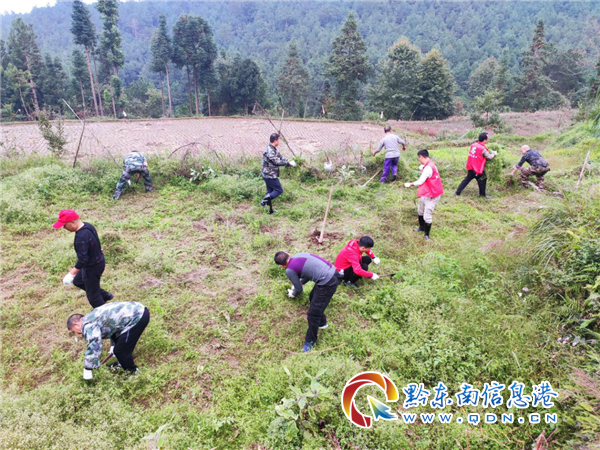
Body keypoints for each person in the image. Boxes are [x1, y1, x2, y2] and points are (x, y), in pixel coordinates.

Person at [274, 251, 342, 352]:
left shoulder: (289, 270)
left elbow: (299, 290)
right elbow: (307, 272)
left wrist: (293, 293)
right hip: (334, 272)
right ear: (288, 254)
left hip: (327, 282)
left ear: (281, 266)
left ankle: (310, 342)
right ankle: (322, 323)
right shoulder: (300, 255)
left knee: (312, 315)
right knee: (313, 298)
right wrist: (301, 282)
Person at [67, 301, 150, 378]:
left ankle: (133, 373)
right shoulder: (92, 316)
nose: (77, 333)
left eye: (74, 331)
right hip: (138, 310)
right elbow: (112, 327)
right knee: (120, 347)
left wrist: (88, 368)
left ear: (76, 325)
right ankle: (122, 363)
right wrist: (113, 345)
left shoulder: (87, 325)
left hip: (137, 317)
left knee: (121, 351)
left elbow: (94, 343)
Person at [53, 210, 113, 308]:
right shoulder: (88, 226)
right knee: (78, 281)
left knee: (93, 297)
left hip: (92, 267)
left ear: (72, 222)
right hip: (98, 261)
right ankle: (104, 295)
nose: (64, 228)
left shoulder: (81, 237)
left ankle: (104, 312)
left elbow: (83, 259)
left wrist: (71, 274)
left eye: (64, 225)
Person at [404, 149, 444, 241]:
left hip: (432, 195)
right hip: (427, 192)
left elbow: (420, 181)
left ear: (421, 157)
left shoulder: (428, 168)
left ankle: (427, 235)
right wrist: (422, 168)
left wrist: (410, 184)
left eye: (419, 158)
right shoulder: (430, 164)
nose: (419, 160)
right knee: (420, 210)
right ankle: (421, 227)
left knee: (427, 215)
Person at [260, 133, 296, 214]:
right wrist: (288, 164)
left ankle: (270, 210)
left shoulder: (273, 148)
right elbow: (276, 162)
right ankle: (264, 201)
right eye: (278, 140)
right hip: (269, 174)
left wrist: (288, 161)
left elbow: (280, 157)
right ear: (275, 140)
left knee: (269, 192)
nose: (279, 141)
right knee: (279, 190)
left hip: (269, 174)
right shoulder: (269, 151)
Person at [455, 132, 497, 199]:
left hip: (471, 167)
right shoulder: (483, 149)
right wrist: (494, 153)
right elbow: (489, 157)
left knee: (467, 179)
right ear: (484, 140)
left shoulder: (473, 145)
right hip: (477, 169)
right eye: (488, 138)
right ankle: (482, 195)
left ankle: (457, 192)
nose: (488, 140)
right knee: (483, 179)